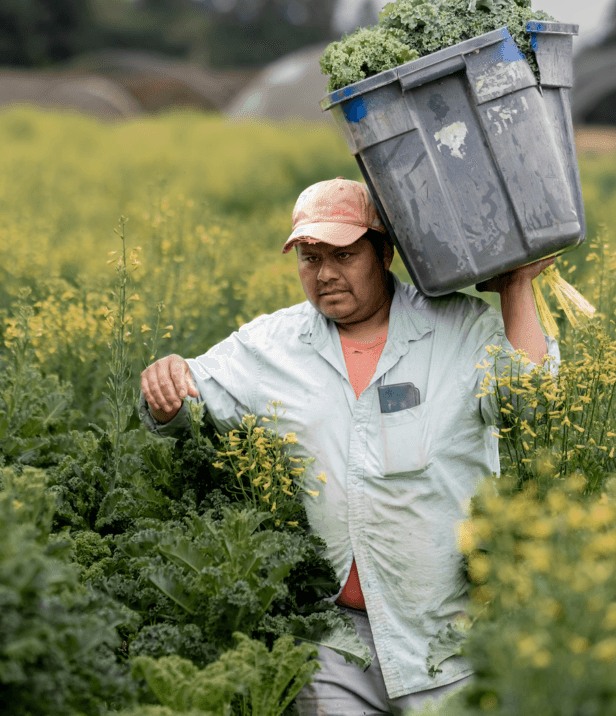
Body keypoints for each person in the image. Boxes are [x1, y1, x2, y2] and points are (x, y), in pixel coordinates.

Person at [139, 177, 557, 716]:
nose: (325, 274)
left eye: (344, 254)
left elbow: (535, 400)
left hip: (449, 640)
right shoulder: (273, 345)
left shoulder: (460, 328)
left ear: (384, 253)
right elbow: (186, 398)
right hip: (336, 647)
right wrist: (165, 386)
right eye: (310, 258)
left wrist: (516, 287)